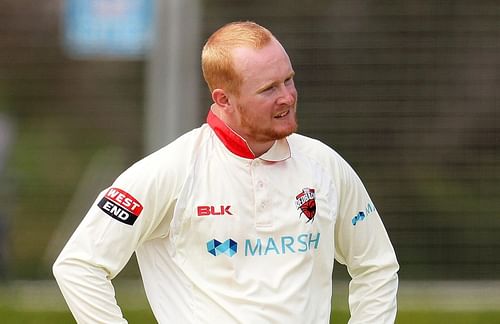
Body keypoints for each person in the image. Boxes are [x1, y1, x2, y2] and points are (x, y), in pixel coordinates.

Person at [53, 21, 399, 323]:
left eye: (288, 80)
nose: (287, 97)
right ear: (223, 100)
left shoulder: (325, 165)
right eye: (269, 89)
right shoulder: (169, 170)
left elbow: (376, 266)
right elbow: (79, 266)